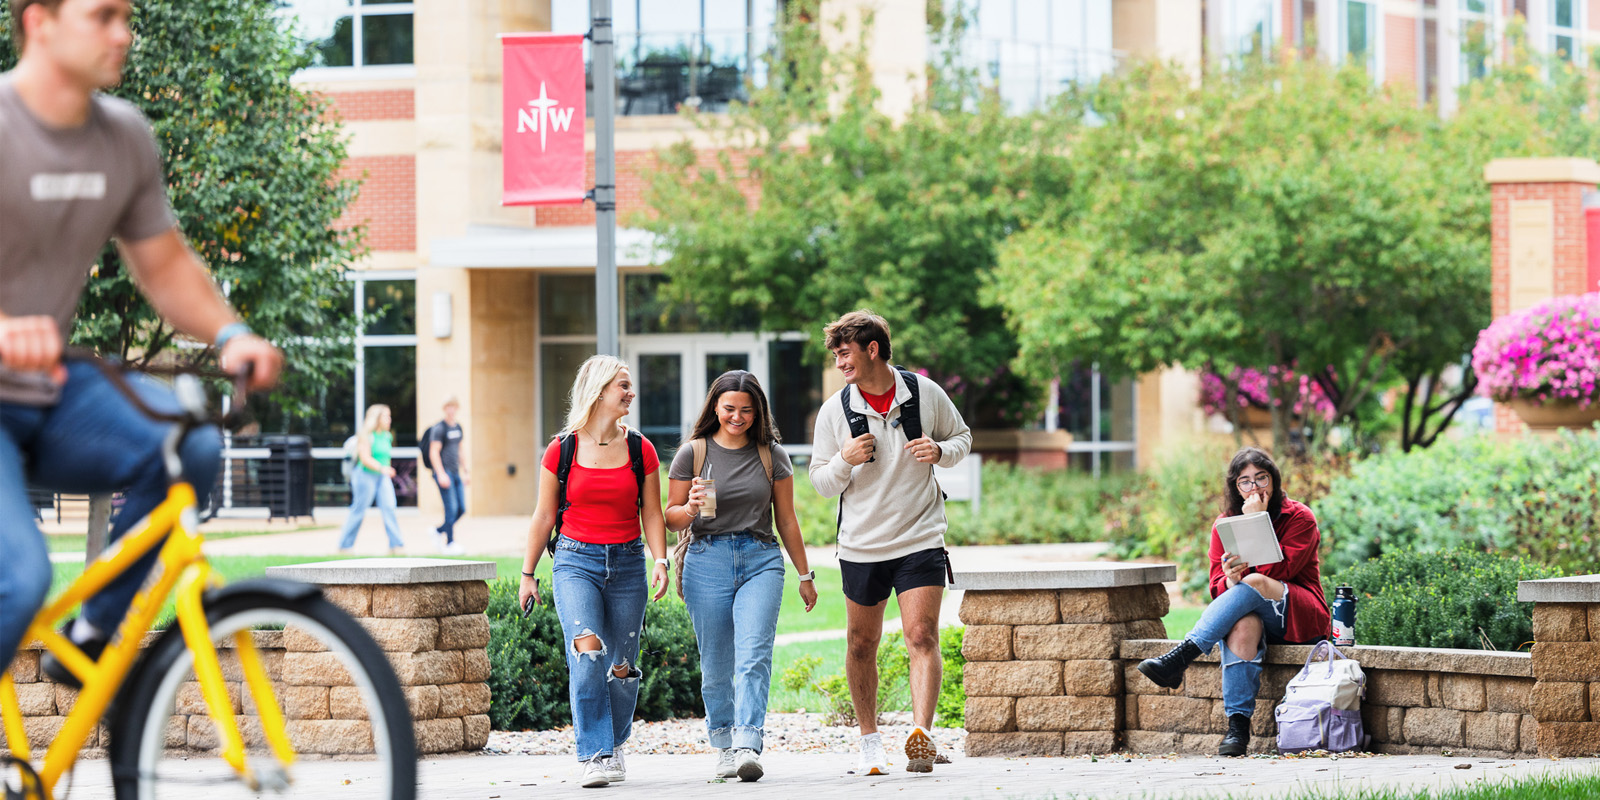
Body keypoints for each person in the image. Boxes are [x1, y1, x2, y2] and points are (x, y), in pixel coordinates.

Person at [0, 0, 282, 687]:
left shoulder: (123, 138)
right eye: (103, 16)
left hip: (49, 393)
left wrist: (231, 330)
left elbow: (163, 266)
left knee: (194, 444)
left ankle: (95, 629)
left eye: (126, 15)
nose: (123, 33)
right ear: (39, 21)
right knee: (20, 578)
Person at [808, 310, 971, 775]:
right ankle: (869, 741)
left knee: (922, 635)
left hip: (920, 536)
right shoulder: (835, 411)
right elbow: (820, 481)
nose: (841, 363)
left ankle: (921, 735)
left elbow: (962, 437)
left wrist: (942, 451)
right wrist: (844, 460)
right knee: (862, 643)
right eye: (837, 355)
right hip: (861, 545)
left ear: (871, 349)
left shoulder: (924, 393)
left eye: (845, 353)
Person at [517, 355, 669, 789]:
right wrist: (529, 574)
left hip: (626, 562)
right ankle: (596, 753)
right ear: (600, 390)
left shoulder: (641, 449)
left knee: (621, 664)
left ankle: (615, 742)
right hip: (574, 560)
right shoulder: (561, 449)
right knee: (587, 651)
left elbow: (653, 514)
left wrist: (660, 559)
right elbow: (544, 515)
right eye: (623, 385)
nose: (630, 393)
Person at [664, 370, 819, 783]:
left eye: (746, 410)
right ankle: (724, 745)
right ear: (715, 406)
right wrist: (692, 507)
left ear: (758, 411)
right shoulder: (692, 453)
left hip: (760, 558)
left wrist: (805, 573)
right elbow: (669, 517)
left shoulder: (772, 455)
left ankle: (748, 743)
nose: (737, 417)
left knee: (753, 656)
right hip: (706, 560)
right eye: (729, 408)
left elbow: (786, 519)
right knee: (716, 666)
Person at [1136, 446, 1330, 756]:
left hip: (1299, 610)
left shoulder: (1300, 517)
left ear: (1274, 480)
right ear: (1235, 487)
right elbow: (1217, 588)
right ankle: (1237, 729)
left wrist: (1257, 523)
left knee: (1256, 581)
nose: (1255, 488)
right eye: (1245, 482)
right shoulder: (1224, 524)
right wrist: (1230, 579)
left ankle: (1182, 656)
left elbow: (1281, 571)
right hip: (1255, 611)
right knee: (1242, 624)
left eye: (1261, 478)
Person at [336, 404, 405, 555]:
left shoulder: (387, 436)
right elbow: (365, 458)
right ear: (377, 418)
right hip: (365, 475)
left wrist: (385, 469)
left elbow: (385, 457)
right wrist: (382, 468)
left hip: (382, 476)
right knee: (359, 509)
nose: (389, 420)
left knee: (389, 507)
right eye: (386, 416)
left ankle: (396, 545)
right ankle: (345, 546)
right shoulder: (366, 435)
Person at [425, 396, 469, 554]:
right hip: (444, 473)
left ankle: (438, 531)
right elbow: (433, 452)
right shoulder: (439, 428)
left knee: (461, 509)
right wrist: (441, 473)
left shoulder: (458, 427)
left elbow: (460, 450)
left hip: (456, 472)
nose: (451, 410)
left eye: (454, 407)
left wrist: (466, 471)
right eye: (448, 407)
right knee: (451, 509)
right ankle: (450, 543)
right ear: (445, 409)